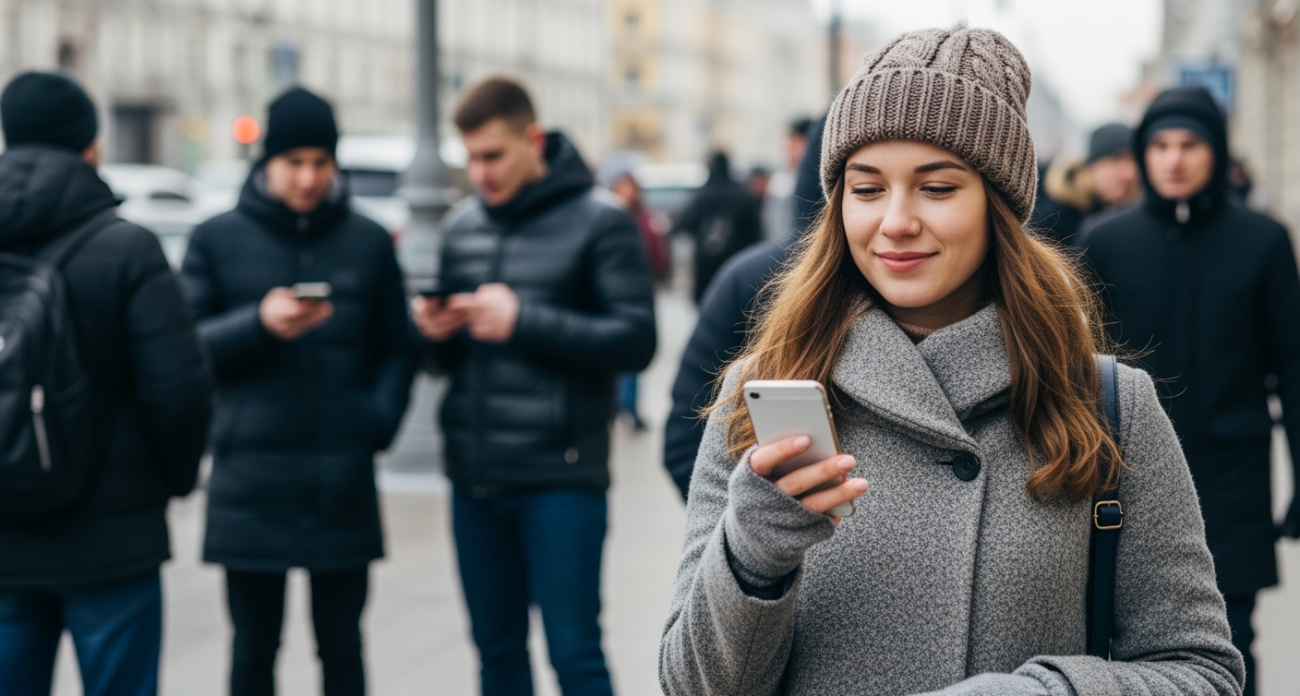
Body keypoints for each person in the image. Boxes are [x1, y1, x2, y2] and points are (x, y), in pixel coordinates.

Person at [660, 26, 1244, 695]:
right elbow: (690, 686)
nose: (896, 221)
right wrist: (752, 555)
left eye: (937, 188)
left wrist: (1041, 694)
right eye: (867, 188)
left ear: (998, 206)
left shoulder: (1111, 406)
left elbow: (1204, 674)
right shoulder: (759, 396)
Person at [410, 77, 656, 696]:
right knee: (496, 657)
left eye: (492, 155)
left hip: (561, 477)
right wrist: (434, 333)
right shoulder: (462, 226)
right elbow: (444, 364)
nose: (480, 171)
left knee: (575, 654)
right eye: (470, 157)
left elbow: (636, 340)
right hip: (475, 477)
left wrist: (524, 320)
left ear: (533, 139)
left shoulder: (602, 220)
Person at [180, 86, 414, 696]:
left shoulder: (367, 240)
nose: (308, 177)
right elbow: (183, 348)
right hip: (249, 483)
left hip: (342, 480)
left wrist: (377, 422)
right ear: (266, 163)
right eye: (294, 162)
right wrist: (257, 325)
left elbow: (398, 347)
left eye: (320, 161)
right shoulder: (216, 239)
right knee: (253, 649)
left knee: (342, 647)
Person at [1080, 84, 1300, 696]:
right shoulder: (1106, 241)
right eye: (1160, 145)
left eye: (1190, 145)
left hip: (1231, 477)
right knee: (1121, 648)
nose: (1174, 159)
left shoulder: (1263, 240)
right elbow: (1076, 367)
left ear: (1217, 153)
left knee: (1232, 643)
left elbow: (1293, 363)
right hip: (1123, 475)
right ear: (1145, 154)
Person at [0, 71, 213, 696]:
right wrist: (167, 486)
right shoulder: (127, 249)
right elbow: (178, 392)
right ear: (90, 147)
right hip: (112, 539)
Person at [662, 115, 825, 500]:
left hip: (713, 284)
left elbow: (683, 433)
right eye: (868, 188)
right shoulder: (756, 277)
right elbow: (688, 432)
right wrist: (742, 537)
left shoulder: (746, 272)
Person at [608, 169, 669, 431]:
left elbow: (657, 252)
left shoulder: (644, 218)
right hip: (608, 296)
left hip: (639, 291)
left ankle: (629, 409)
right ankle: (615, 408)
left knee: (631, 356)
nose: (628, 193)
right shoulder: (606, 218)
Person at [675, 150, 763, 303]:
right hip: (737, 266)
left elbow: (682, 225)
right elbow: (756, 232)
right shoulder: (741, 195)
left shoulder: (701, 196)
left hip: (705, 268)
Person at [1031, 122, 1139, 245]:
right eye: (1117, 159)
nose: (1130, 174)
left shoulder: (1130, 215)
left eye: (1135, 162)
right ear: (1092, 165)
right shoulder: (1055, 219)